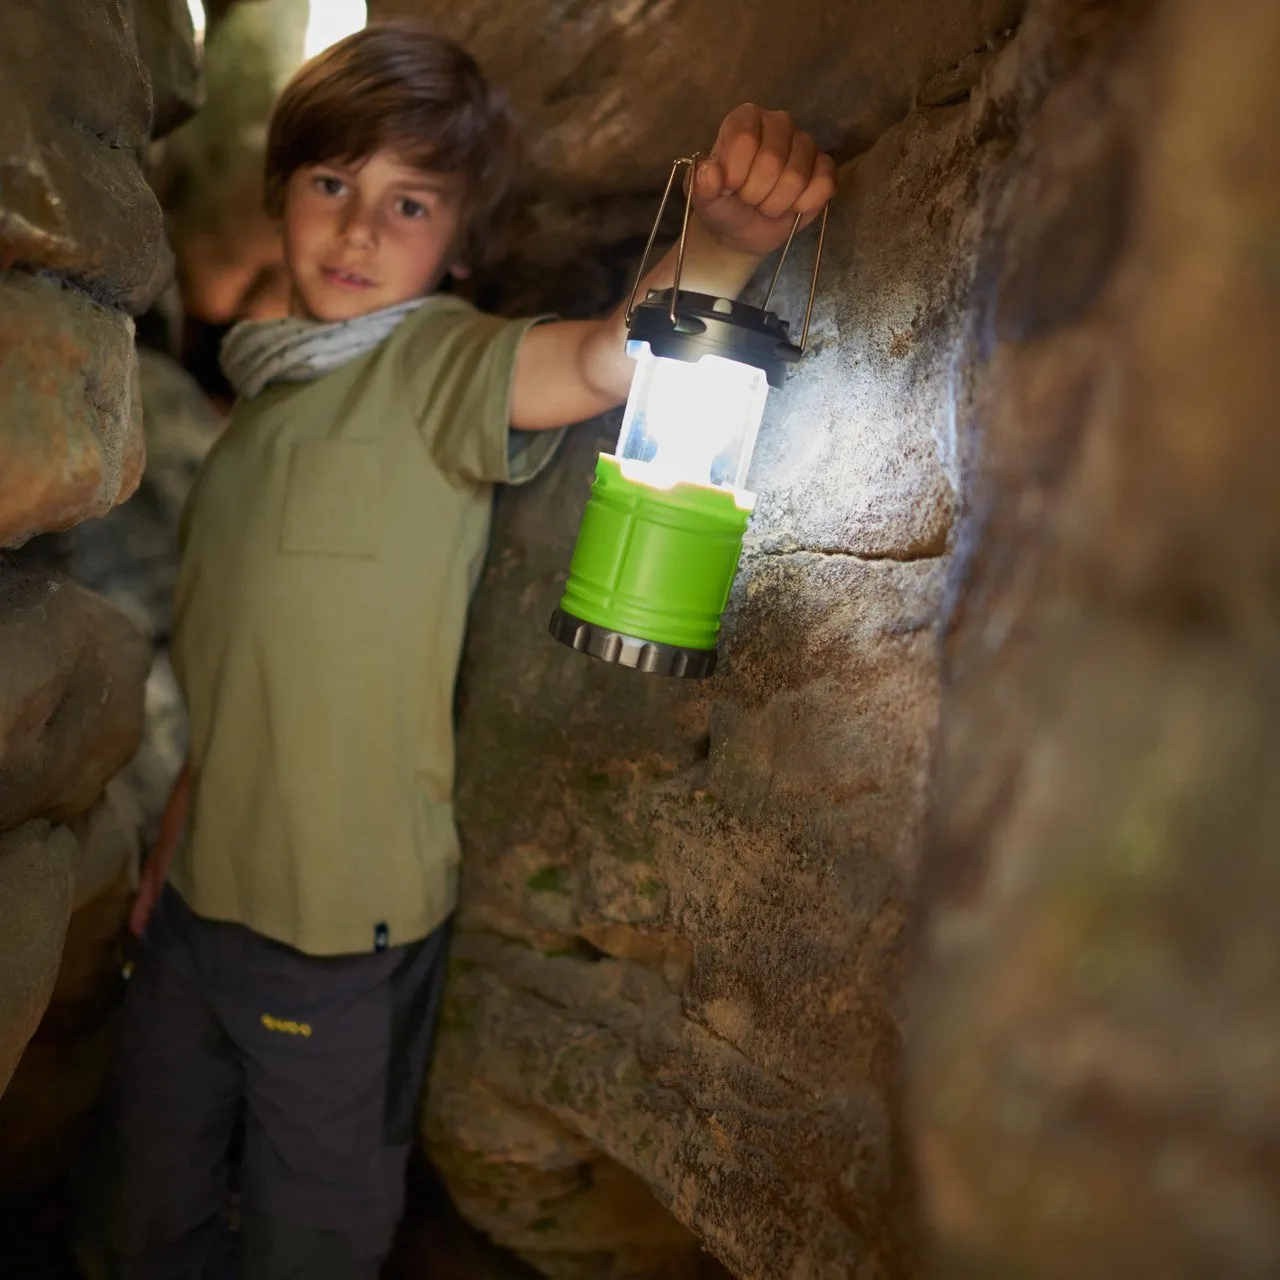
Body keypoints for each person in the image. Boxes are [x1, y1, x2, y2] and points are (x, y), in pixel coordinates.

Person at [96, 21, 835, 1279]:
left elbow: (601, 353)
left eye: (410, 201)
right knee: (137, 1202)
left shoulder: (434, 363)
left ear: (457, 244)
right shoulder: (261, 399)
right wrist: (167, 851)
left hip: (337, 936)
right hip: (190, 912)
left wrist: (718, 244)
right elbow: (237, 679)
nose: (358, 229)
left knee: (310, 1226)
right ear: (280, 191)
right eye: (332, 183)